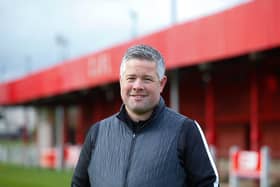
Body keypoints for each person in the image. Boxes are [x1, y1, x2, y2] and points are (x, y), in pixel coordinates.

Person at [71, 44, 219, 187]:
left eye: (147, 79)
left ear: (161, 84)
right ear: (121, 81)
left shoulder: (186, 130)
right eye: (131, 78)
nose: (137, 86)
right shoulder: (97, 133)